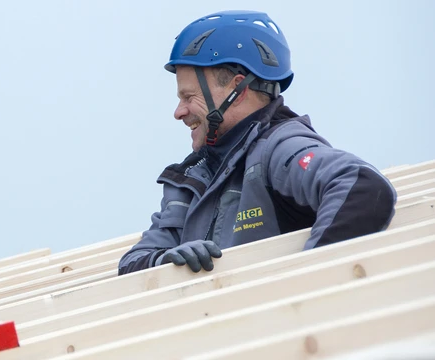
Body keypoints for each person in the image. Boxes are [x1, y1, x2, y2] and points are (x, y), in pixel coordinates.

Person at [118, 10, 396, 275]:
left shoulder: (278, 149)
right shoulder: (193, 181)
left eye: (189, 97)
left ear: (236, 91)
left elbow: (363, 187)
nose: (179, 112)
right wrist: (161, 262)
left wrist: (308, 282)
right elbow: (132, 263)